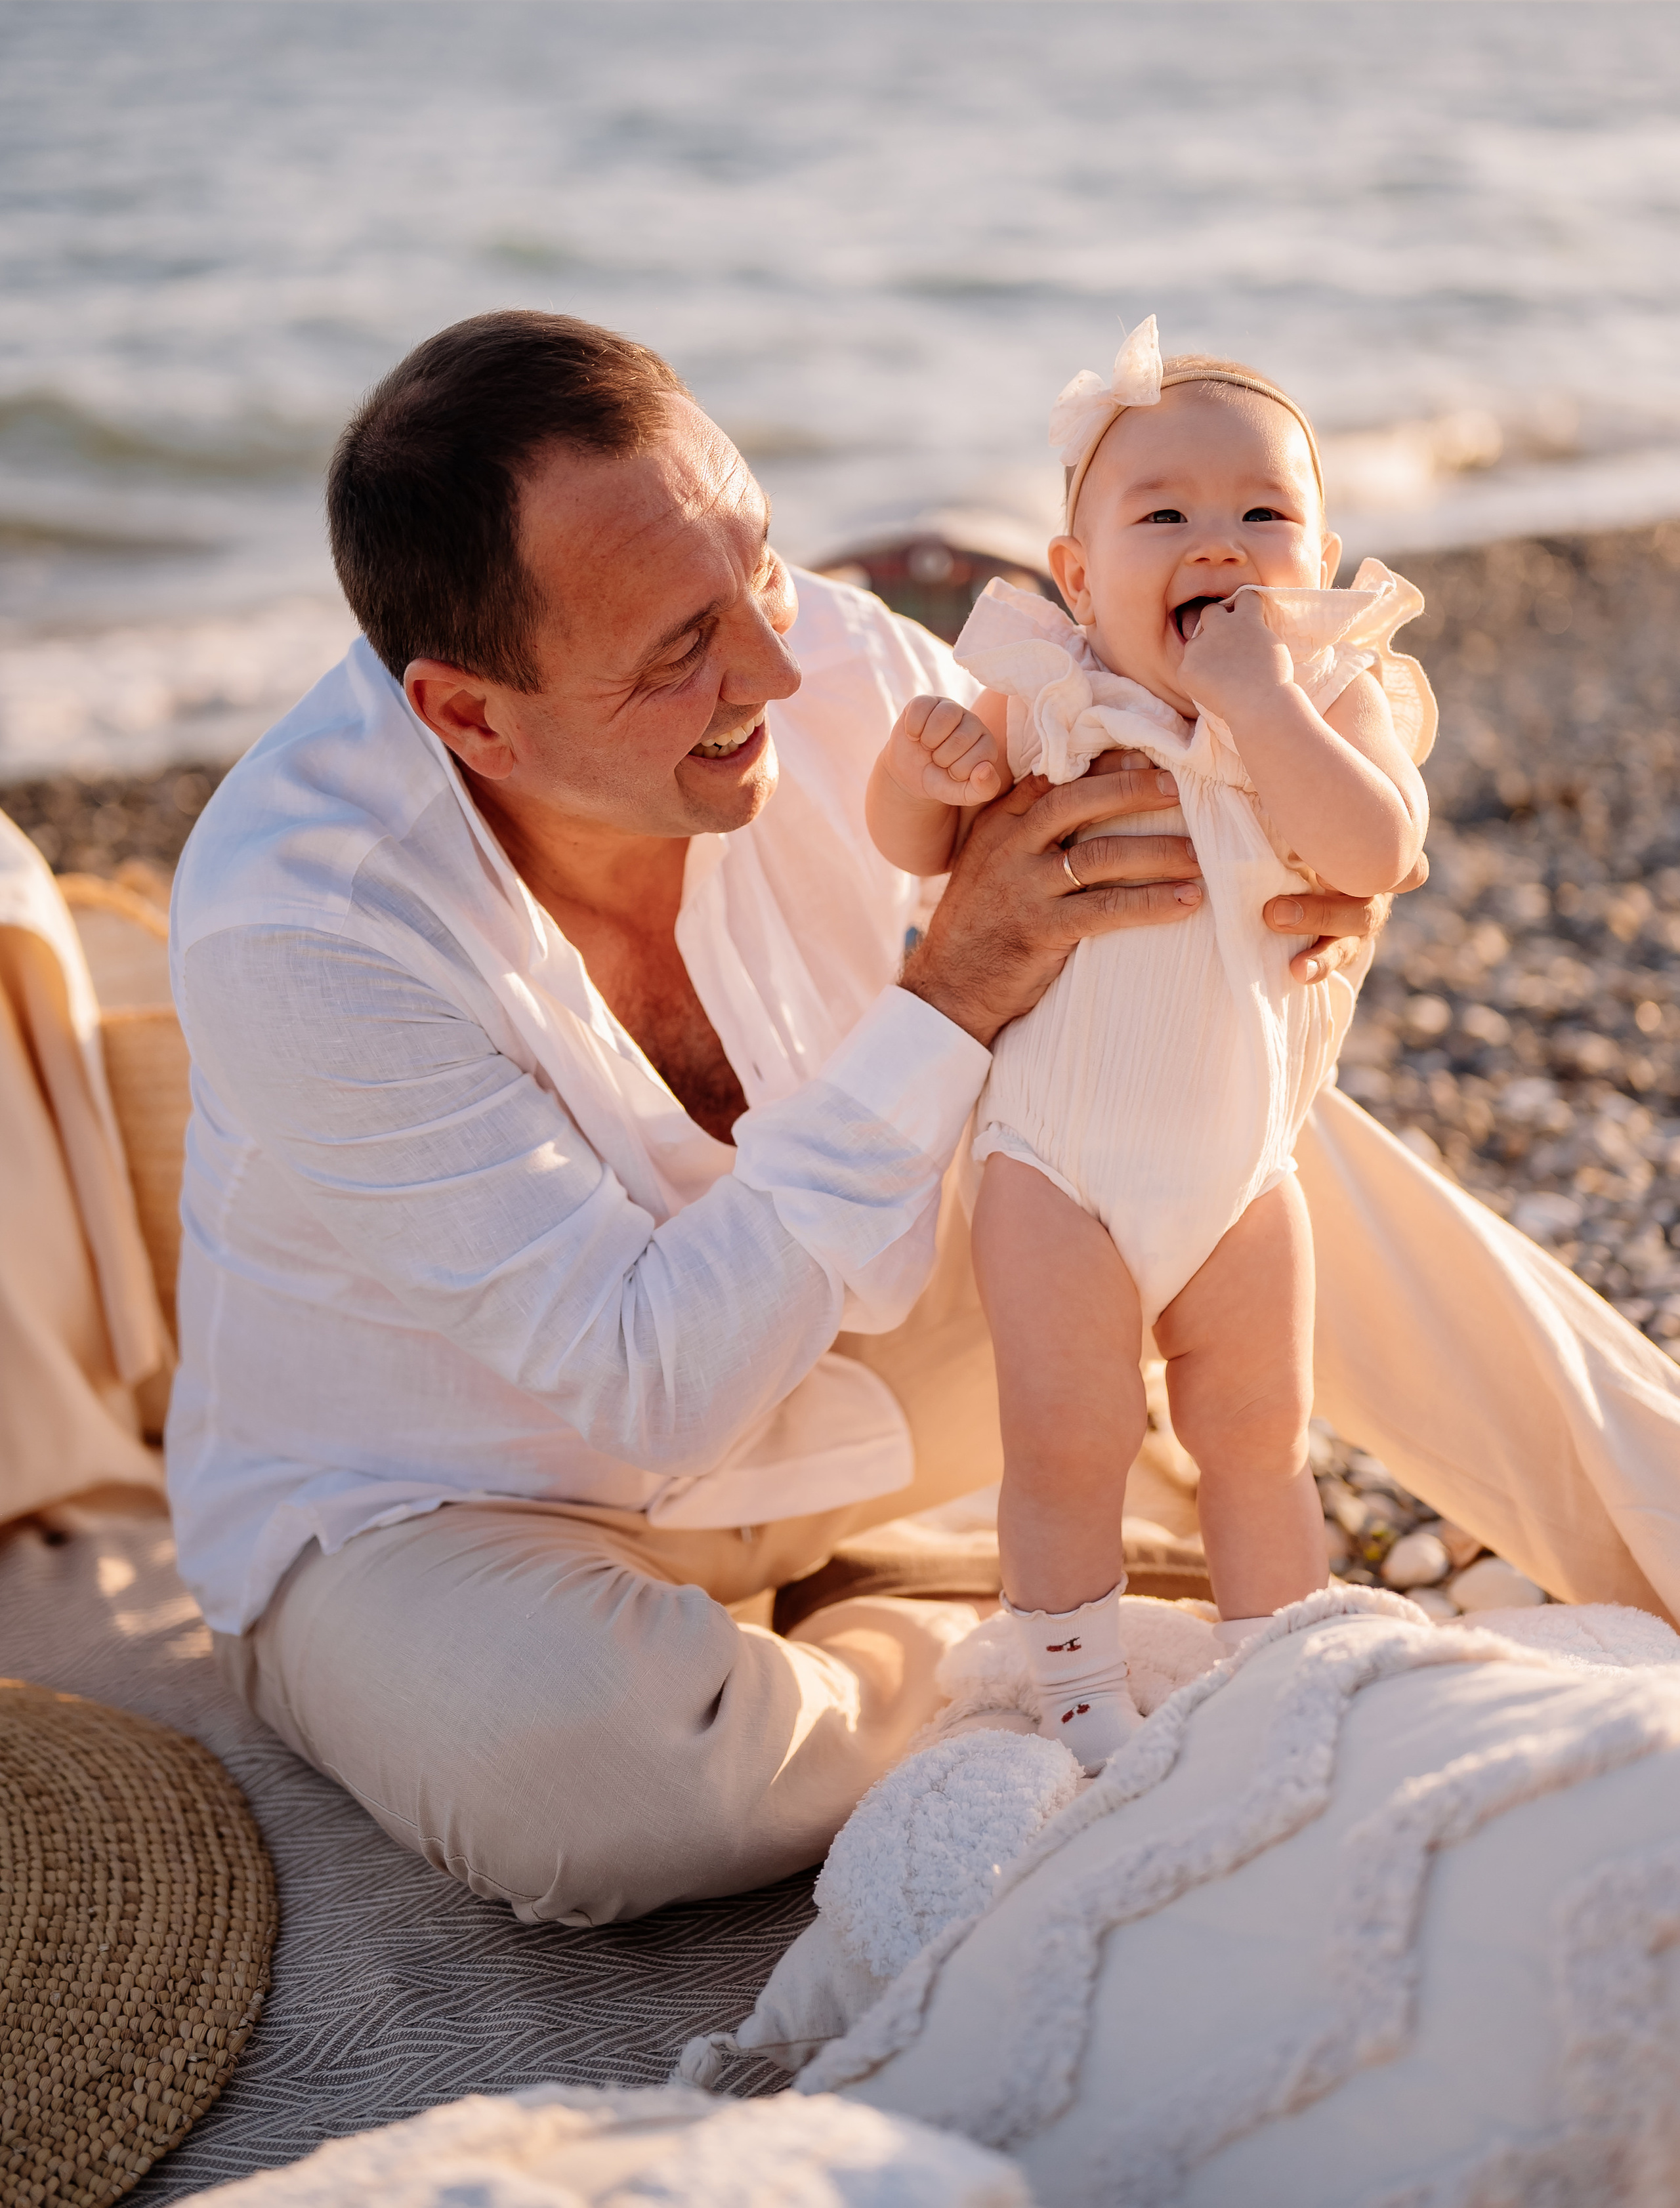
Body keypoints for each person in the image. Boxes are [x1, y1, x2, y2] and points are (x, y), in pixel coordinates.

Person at [169, 308, 1680, 1929]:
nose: (771, 660)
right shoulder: (301, 923)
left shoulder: (831, 660)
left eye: (752, 562)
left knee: (1237, 1134)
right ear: (470, 716)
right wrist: (950, 989)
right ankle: (1004, 1638)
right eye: (678, 648)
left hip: (860, 1361)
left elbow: (1192, 842)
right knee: (598, 1788)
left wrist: (1310, 876)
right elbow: (646, 1388)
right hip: (466, 1502)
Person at [867, 320, 1434, 1764]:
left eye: (1262, 515)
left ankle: (1275, 1663)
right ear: (1074, 574)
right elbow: (917, 849)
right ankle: (1072, 1695)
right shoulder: (1048, 691)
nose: (1218, 545)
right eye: (1163, 515)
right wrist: (913, 773)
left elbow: (1372, 846)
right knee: (1069, 1442)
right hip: (1052, 1162)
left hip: (1241, 1169)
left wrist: (1259, 698)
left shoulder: (1328, 698)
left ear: (1317, 551)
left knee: (1257, 1435)